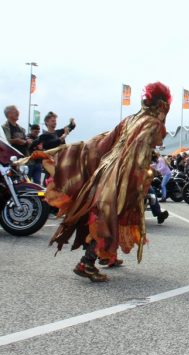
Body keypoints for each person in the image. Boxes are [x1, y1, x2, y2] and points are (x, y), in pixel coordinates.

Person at [38, 82, 172, 282]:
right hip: (123, 176)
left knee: (109, 215)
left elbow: (104, 143)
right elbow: (138, 153)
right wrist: (142, 177)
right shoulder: (153, 124)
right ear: (162, 105)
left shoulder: (131, 119)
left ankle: (108, 257)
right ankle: (87, 262)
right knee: (111, 216)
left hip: (106, 170)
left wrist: (81, 152)